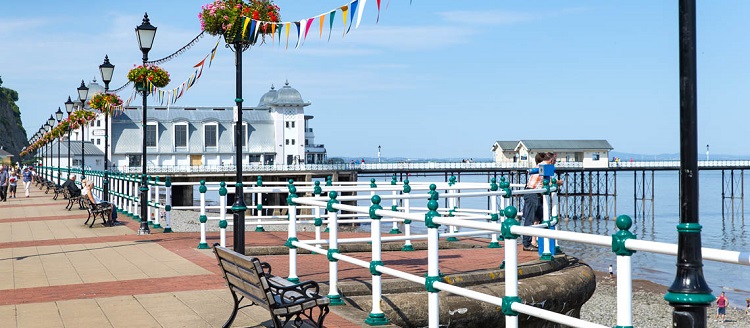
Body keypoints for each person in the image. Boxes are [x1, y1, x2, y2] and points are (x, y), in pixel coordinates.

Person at [522, 153, 551, 251]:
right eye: (554, 161)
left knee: (541, 218)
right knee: (530, 219)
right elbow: (547, 183)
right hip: (532, 193)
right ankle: (526, 243)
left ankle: (541, 242)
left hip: (534, 193)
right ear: (551, 160)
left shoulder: (540, 166)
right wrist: (558, 183)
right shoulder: (544, 167)